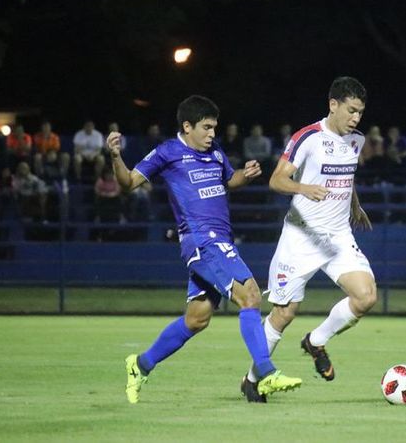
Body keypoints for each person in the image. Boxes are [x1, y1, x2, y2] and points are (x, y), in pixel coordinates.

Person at [106, 95, 301, 404]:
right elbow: (128, 182)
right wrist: (116, 156)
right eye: (207, 128)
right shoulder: (169, 152)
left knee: (197, 318)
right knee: (249, 294)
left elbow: (228, 180)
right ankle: (265, 372)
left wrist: (244, 176)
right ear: (187, 126)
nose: (213, 134)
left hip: (218, 239)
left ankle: (140, 364)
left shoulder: (214, 152)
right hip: (202, 240)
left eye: (214, 128)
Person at [241, 77, 377, 401]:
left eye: (360, 112)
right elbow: (276, 180)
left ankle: (315, 341)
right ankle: (251, 378)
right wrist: (304, 188)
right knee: (284, 312)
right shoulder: (307, 137)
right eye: (351, 110)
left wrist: (355, 206)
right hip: (301, 237)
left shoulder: (355, 140)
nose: (356, 118)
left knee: (366, 296)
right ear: (333, 105)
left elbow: (346, 176)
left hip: (338, 237)